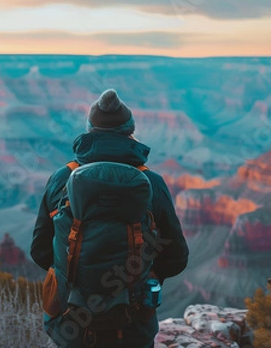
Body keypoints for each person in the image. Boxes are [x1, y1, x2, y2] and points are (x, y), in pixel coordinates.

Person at [31, 89, 189, 348]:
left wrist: (75, 272)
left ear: (89, 131)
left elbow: (39, 252)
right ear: (131, 131)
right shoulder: (152, 183)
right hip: (132, 324)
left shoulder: (61, 179)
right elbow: (176, 259)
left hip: (71, 323)